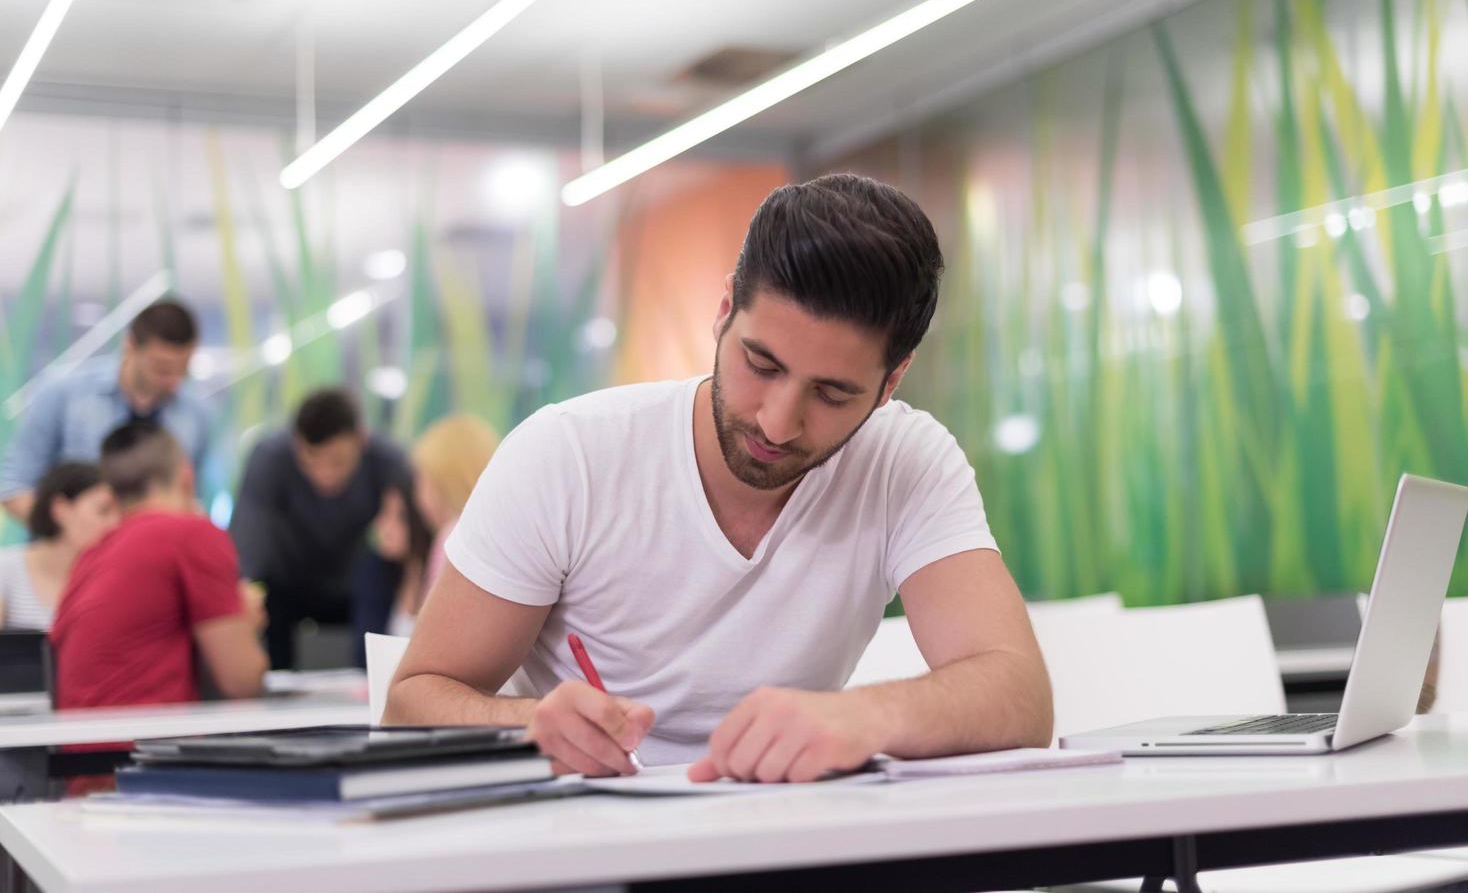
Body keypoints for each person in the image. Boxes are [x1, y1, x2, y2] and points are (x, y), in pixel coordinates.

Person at [386, 173, 1053, 783]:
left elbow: (1018, 693)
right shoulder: (570, 455)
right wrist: (526, 726)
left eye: (832, 393)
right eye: (761, 364)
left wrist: (866, 717)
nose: (779, 422)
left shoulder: (904, 461)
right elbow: (411, 699)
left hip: (788, 847)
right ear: (725, 308)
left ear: (891, 382)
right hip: (586, 850)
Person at [50, 422, 266, 708]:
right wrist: (246, 623)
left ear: (112, 495)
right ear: (186, 478)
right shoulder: (192, 534)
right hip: (142, 746)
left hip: (79, 745)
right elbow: (242, 681)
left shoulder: (92, 555)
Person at [230, 388, 411, 669]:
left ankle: (374, 677)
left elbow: (413, 538)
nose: (324, 476)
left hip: (356, 584)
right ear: (294, 444)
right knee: (261, 590)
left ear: (361, 440)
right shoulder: (270, 457)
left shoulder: (388, 462)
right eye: (311, 463)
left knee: (380, 574)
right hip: (288, 582)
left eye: (337, 462)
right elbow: (248, 538)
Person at [0, 299, 210, 525]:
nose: (172, 381)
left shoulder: (196, 417)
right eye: (161, 369)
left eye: (182, 371)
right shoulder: (64, 396)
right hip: (72, 555)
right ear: (130, 346)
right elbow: (13, 483)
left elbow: (192, 498)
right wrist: (65, 530)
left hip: (153, 553)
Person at [366, 415, 499, 637]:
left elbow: (431, 639)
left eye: (421, 479)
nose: (417, 494)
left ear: (443, 480)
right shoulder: (493, 534)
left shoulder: (451, 539)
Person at [0, 463, 119, 630]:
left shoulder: (116, 578)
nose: (114, 524)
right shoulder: (5, 569)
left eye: (119, 513)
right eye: (103, 511)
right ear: (60, 509)